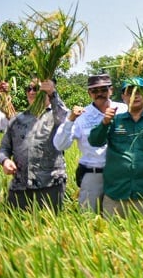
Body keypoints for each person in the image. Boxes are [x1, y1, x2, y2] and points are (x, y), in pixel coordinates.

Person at [89, 77, 143, 217]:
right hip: (116, 195)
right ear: (123, 96)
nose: (135, 96)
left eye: (139, 92)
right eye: (130, 92)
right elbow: (95, 141)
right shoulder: (114, 120)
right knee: (112, 237)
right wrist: (104, 122)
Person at [53, 73, 126, 212]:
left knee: (119, 220)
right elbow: (60, 145)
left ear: (111, 90)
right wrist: (70, 119)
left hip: (119, 176)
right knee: (89, 218)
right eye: (94, 91)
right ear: (89, 93)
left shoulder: (123, 110)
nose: (99, 94)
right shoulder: (82, 116)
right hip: (94, 174)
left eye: (103, 90)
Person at [0, 79, 68, 211]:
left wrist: (53, 93)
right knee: (17, 229)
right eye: (28, 88)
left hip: (50, 185)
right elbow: (4, 148)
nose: (31, 92)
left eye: (36, 88)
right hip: (20, 186)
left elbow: (66, 118)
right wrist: (5, 161)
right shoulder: (17, 120)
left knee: (50, 229)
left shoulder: (56, 116)